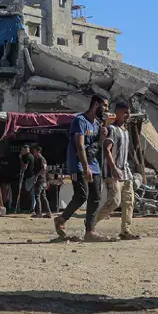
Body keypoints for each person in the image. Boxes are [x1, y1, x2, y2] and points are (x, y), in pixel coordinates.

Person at [54, 95, 111, 242]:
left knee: (96, 197)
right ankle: (61, 219)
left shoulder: (97, 124)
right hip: (78, 163)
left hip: (94, 164)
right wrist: (86, 168)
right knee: (82, 195)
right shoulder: (80, 121)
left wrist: (102, 137)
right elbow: (79, 146)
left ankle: (90, 231)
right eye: (104, 105)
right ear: (96, 104)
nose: (106, 109)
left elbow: (96, 146)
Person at [94, 101, 139, 240]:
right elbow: (107, 150)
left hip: (126, 172)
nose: (127, 114)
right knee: (114, 202)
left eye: (128, 112)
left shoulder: (125, 131)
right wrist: (113, 168)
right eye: (124, 112)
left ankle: (125, 230)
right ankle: (91, 223)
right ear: (117, 113)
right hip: (113, 172)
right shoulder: (112, 129)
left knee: (129, 202)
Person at [28, 144, 51, 218]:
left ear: (38, 152)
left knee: (37, 196)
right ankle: (48, 212)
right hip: (43, 180)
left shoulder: (41, 159)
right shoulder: (39, 159)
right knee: (43, 196)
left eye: (34, 151)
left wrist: (37, 176)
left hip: (40, 180)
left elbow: (43, 169)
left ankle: (39, 212)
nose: (33, 153)